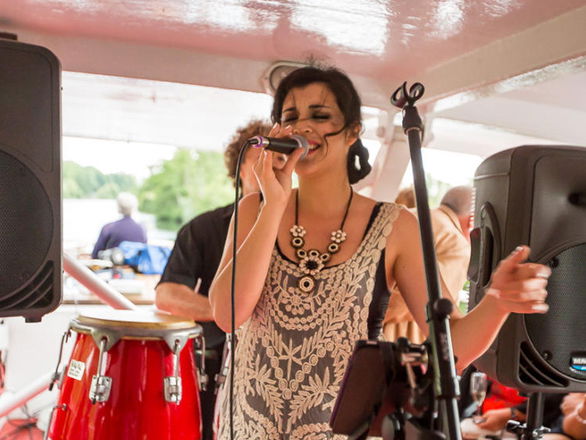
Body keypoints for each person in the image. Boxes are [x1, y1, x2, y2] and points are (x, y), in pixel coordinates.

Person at [209, 66, 551, 439]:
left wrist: (498, 302)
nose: (303, 127)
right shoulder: (254, 209)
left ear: (353, 131)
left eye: (320, 116)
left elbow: (449, 346)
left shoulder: (395, 226)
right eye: (291, 117)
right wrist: (273, 203)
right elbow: (228, 315)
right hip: (249, 426)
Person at [155, 119, 275, 440]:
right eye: (260, 159)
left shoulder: (302, 231)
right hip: (214, 362)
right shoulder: (202, 229)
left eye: (279, 159)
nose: (270, 168)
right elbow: (167, 294)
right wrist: (231, 310)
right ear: (239, 169)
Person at [384, 185, 473, 343]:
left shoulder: (408, 216)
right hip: (390, 339)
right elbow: (431, 306)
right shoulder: (455, 243)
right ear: (472, 220)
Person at [91, 192, 147, 259]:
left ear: (118, 207)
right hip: (135, 264)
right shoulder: (142, 229)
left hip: (114, 264)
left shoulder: (108, 228)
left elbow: (95, 254)